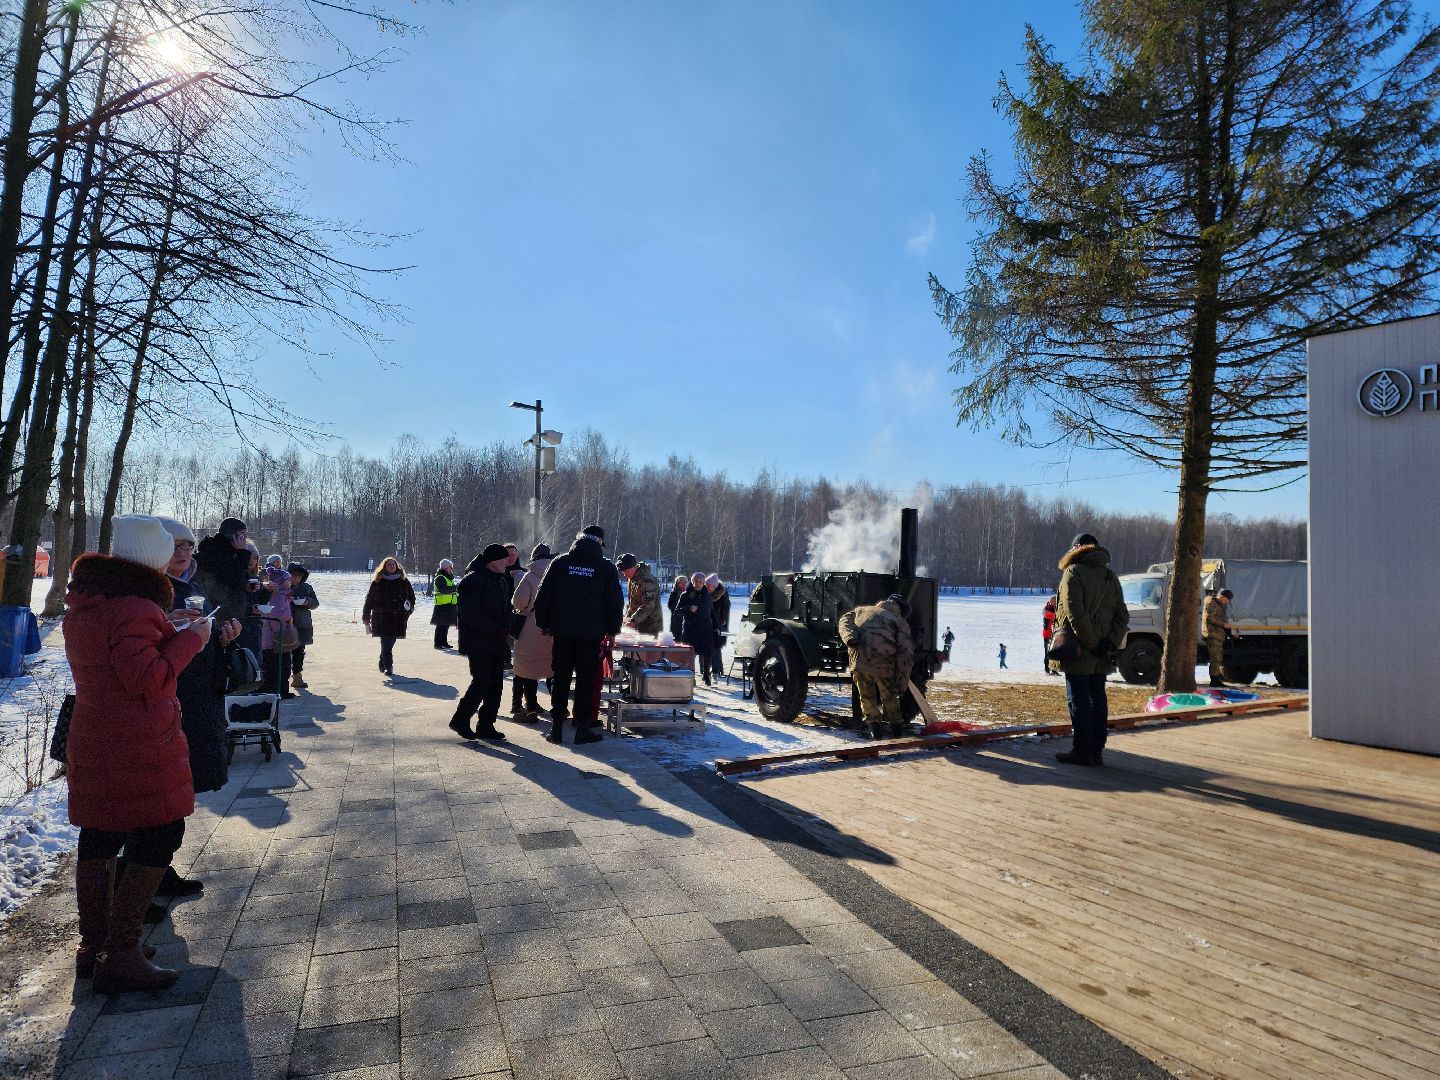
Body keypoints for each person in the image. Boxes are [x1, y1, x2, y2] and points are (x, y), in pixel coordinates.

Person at [64, 515, 209, 992]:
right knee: (162, 829)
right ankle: (120, 950)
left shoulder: (92, 601)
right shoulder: (131, 607)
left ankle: (96, 945)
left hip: (98, 736)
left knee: (102, 834)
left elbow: (118, 657)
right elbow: (146, 679)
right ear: (152, 558)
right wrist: (192, 639)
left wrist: (167, 627)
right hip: (136, 741)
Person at [148, 517, 244, 899]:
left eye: (188, 547)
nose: (184, 554)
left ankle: (155, 872)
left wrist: (223, 635)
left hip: (198, 694)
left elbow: (201, 631)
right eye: (175, 547)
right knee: (159, 797)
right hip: (171, 697)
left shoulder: (193, 586)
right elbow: (150, 645)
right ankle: (139, 880)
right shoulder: (151, 591)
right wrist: (174, 628)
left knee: (178, 793)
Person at [533, 529, 623, 745]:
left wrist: (543, 623)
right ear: (599, 542)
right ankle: (582, 729)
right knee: (585, 681)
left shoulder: (561, 563)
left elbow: (543, 596)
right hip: (591, 635)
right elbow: (614, 602)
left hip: (563, 632)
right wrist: (612, 630)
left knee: (560, 678)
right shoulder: (605, 568)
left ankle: (556, 730)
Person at [1050, 533, 1129, 767]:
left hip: (1079, 650)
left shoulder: (1072, 573)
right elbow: (1122, 614)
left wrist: (1091, 643)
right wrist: (1108, 643)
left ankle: (1082, 751)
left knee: (1079, 700)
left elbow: (1074, 613)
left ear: (1075, 549)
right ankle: (1096, 751)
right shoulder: (1109, 576)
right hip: (1101, 652)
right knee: (1098, 699)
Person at [451, 544, 513, 741]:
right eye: (504, 559)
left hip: (496, 641)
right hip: (477, 641)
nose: (507, 562)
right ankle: (461, 719)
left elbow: (506, 608)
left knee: (496, 684)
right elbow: (470, 614)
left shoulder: (501, 580)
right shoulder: (472, 581)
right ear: (492, 561)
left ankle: (486, 724)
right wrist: (496, 629)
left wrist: (508, 625)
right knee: (481, 681)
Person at [839, 594, 916, 739]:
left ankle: (875, 732)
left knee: (866, 697)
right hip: (884, 665)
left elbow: (844, 621)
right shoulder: (899, 622)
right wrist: (901, 683)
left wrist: (850, 637)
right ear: (900, 610)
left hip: (859, 661)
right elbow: (905, 655)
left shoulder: (861, 610)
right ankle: (897, 732)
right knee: (890, 698)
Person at [510, 543, 554, 722]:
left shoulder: (529, 577)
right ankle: (559, 707)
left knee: (528, 669)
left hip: (530, 626)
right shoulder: (557, 574)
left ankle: (530, 706)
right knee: (553, 668)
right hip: (552, 628)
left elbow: (518, 602)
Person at [192, 517, 251, 623]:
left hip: (229, 614)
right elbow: (232, 580)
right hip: (218, 614)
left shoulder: (231, 552)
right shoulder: (215, 553)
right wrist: (242, 553)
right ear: (231, 534)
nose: (245, 538)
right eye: (242, 534)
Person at [363, 557, 415, 677]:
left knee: (391, 641)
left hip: (399, 617)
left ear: (397, 566)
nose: (392, 566)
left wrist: (409, 609)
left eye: (393, 564)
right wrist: (366, 615)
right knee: (385, 641)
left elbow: (412, 597)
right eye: (389, 564)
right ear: (384, 567)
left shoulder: (404, 580)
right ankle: (389, 666)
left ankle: (383, 659)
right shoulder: (378, 581)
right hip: (382, 617)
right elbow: (369, 599)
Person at [260, 554, 295, 699]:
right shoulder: (278, 595)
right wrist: (288, 618)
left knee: (279, 664)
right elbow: (276, 614)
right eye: (287, 580)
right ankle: (280, 690)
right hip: (277, 636)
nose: (290, 582)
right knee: (281, 664)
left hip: (277, 635)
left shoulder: (282, 594)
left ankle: (278, 689)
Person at [676, 571, 718, 685]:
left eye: (700, 582)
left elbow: (712, 612)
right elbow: (677, 611)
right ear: (692, 581)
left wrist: (716, 626)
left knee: (708, 652)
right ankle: (691, 676)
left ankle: (706, 675)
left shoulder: (707, 595)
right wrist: (689, 608)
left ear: (704, 582)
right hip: (691, 630)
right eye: (696, 581)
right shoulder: (685, 595)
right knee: (690, 655)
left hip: (705, 629)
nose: (698, 584)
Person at [288, 563, 319, 690]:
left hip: (302, 624)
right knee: (284, 652)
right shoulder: (283, 587)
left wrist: (306, 602)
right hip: (286, 623)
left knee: (299, 652)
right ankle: (283, 678)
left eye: (299, 577)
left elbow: (316, 603)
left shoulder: (306, 588)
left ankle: (297, 677)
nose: (296, 579)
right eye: (294, 576)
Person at [617, 553, 663, 636]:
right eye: (623, 572)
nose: (624, 574)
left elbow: (648, 605)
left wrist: (633, 620)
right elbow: (633, 603)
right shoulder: (632, 579)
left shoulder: (647, 581)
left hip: (650, 627)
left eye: (626, 571)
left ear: (634, 567)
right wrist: (627, 619)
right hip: (638, 624)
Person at [1204, 588, 1234, 686]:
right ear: (1222, 596)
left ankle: (1216, 677)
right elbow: (1210, 618)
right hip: (1213, 634)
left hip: (1218, 634)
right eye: (1227, 599)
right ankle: (1214, 680)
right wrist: (1223, 624)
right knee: (1215, 658)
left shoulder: (1218, 605)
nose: (1228, 602)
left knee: (1217, 658)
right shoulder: (1213, 604)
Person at [706, 573, 729, 681]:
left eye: (708, 585)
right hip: (706, 624)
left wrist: (718, 625)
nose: (706, 587)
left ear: (714, 586)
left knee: (715, 648)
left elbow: (724, 611)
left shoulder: (722, 595)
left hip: (718, 625)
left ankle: (716, 671)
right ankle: (705, 671)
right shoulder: (705, 594)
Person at [431, 559, 458, 650]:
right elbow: (443, 590)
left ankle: (443, 642)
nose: (452, 569)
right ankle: (437, 643)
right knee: (440, 625)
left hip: (449, 604)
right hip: (442, 605)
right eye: (451, 567)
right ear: (446, 567)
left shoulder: (448, 577)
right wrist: (455, 588)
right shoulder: (440, 577)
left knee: (446, 624)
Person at [1042, 595, 1059, 674]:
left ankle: (1054, 670)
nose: (1056, 604)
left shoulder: (1054, 608)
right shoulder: (1046, 609)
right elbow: (1052, 616)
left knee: (1055, 653)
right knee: (1048, 653)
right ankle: (1047, 669)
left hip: (1054, 634)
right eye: (1055, 603)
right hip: (1047, 634)